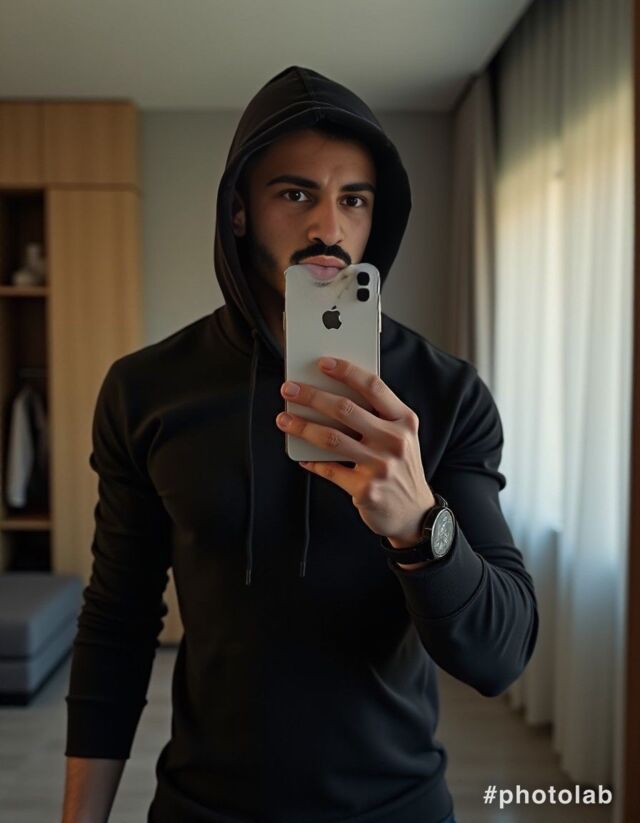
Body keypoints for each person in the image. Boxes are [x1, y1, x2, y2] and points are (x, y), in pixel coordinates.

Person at [61, 66, 538, 823]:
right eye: (295, 194)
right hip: (201, 808)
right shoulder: (146, 389)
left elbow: (499, 655)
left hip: (397, 807)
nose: (328, 227)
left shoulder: (445, 394)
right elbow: (117, 621)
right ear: (239, 211)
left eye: (354, 199)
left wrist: (419, 524)